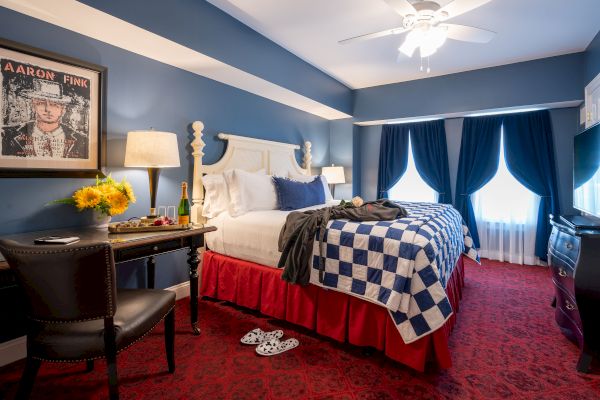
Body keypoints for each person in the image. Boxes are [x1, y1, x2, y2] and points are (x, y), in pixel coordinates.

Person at [1, 78, 88, 159]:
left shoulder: (82, 139)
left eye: (54, 104)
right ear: (33, 105)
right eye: (41, 103)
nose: (48, 109)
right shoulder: (7, 134)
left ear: (63, 109)